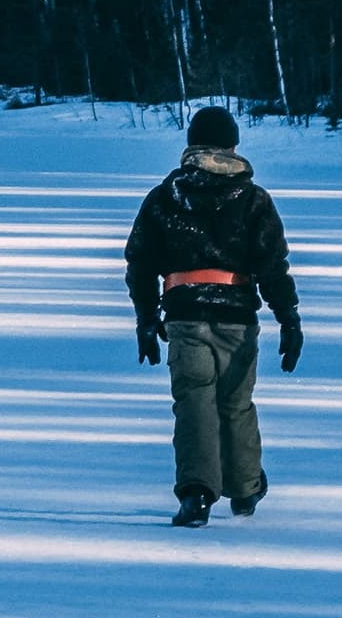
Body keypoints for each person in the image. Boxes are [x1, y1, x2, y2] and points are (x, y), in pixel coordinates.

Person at [123, 106, 305, 527]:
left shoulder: (165, 197)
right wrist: (289, 317)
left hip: (185, 317)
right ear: (233, 146)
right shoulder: (254, 199)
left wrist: (146, 318)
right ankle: (244, 491)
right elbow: (273, 265)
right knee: (236, 404)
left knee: (194, 402)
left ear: (190, 145)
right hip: (238, 321)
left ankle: (196, 495)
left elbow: (140, 263)